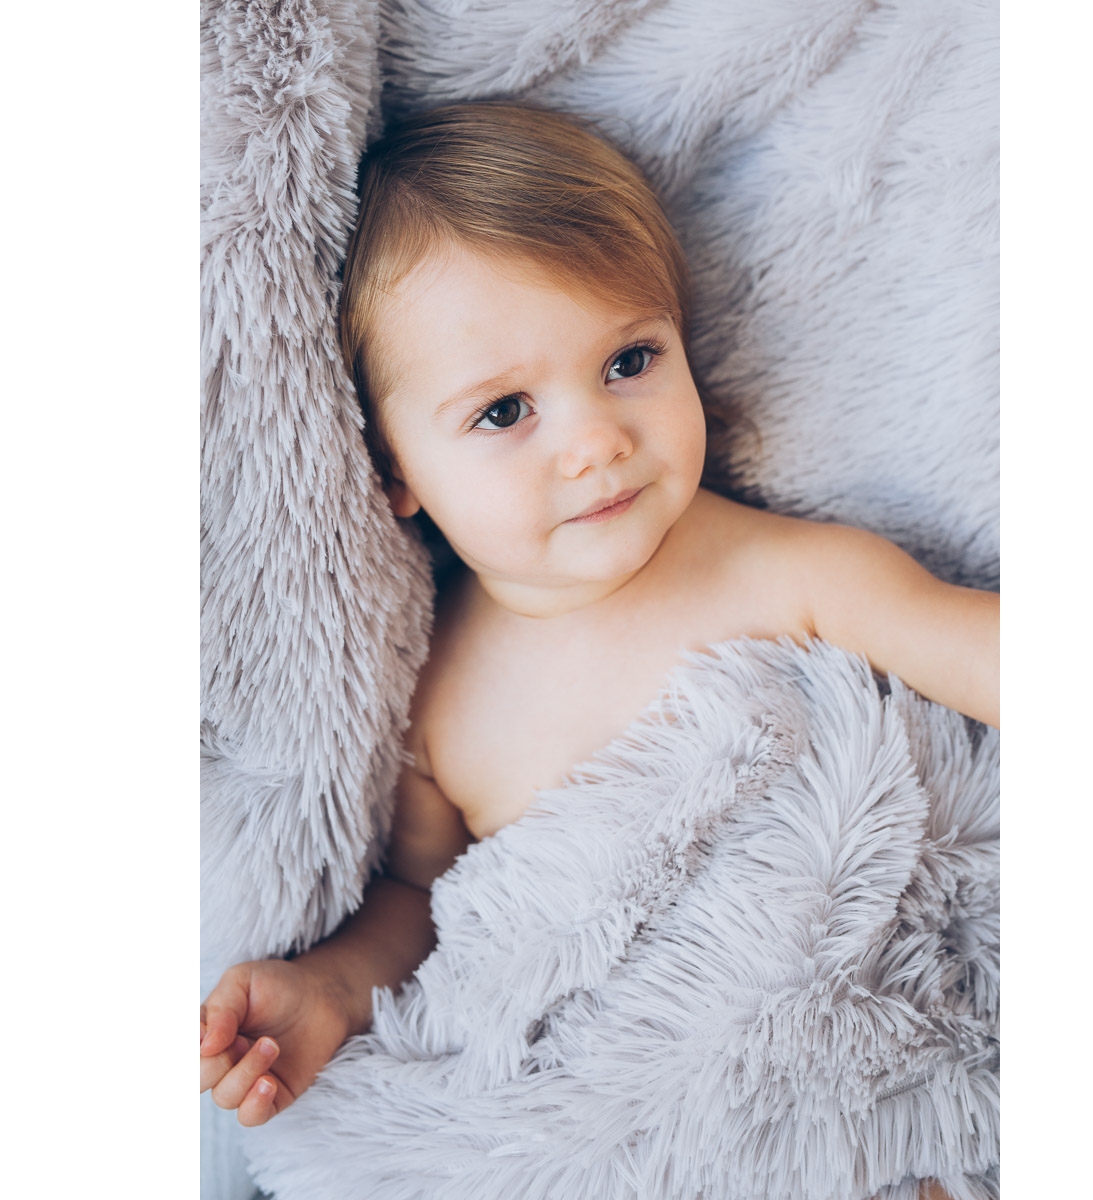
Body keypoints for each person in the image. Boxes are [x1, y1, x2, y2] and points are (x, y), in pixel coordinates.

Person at [200, 104, 997, 1191]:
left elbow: (981, 653)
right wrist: (330, 991)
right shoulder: (436, 703)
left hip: (860, 1079)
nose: (594, 439)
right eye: (504, 412)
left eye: (629, 359)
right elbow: (426, 906)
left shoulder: (789, 572)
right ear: (392, 472)